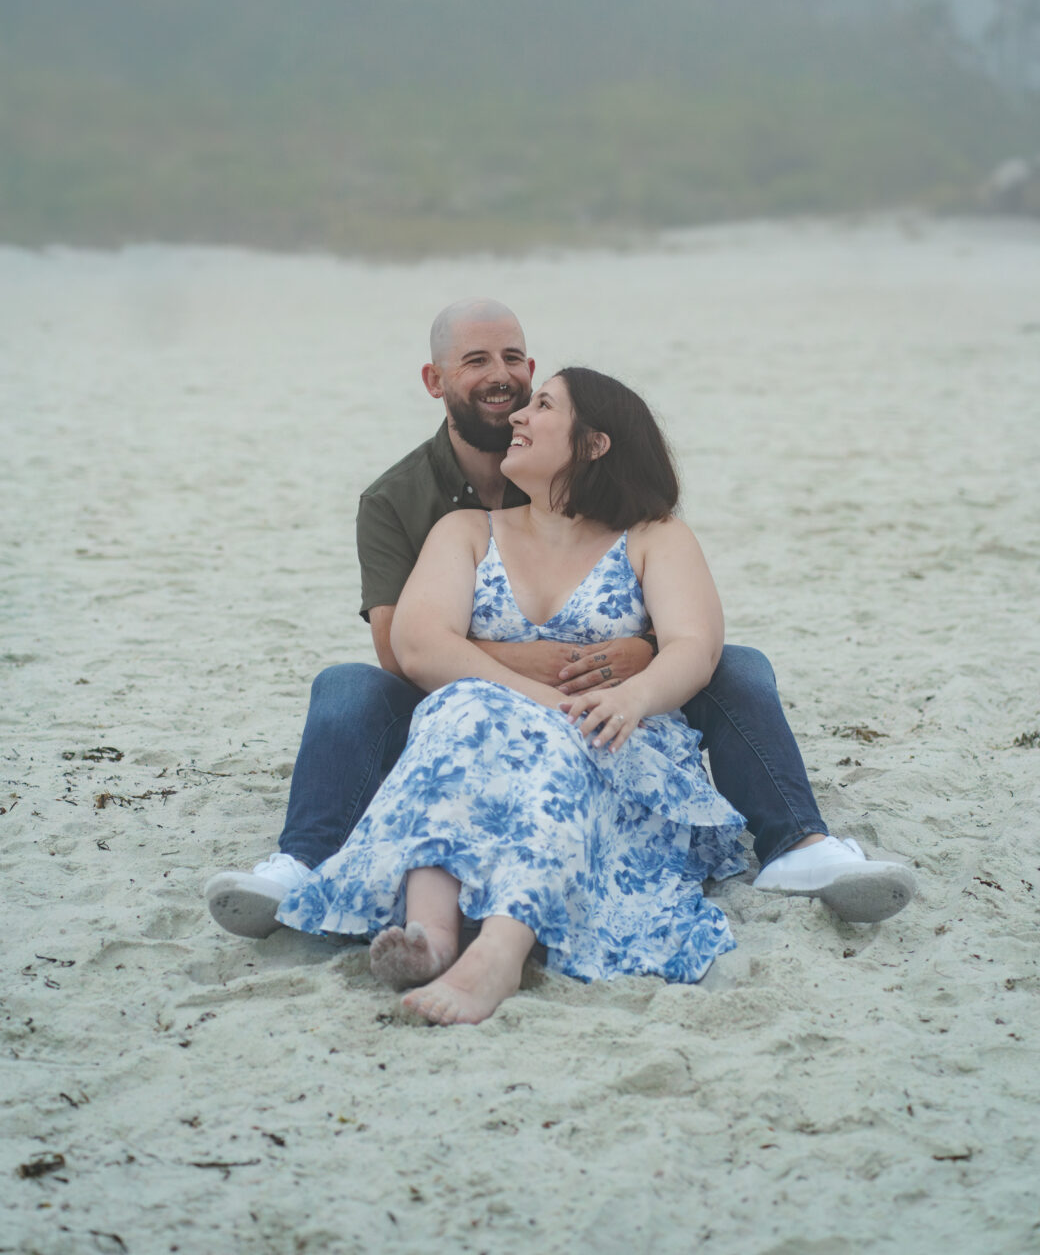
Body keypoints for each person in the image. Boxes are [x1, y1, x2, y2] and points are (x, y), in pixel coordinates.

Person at [205, 299, 916, 940]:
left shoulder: (648, 531)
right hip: (457, 719)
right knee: (347, 685)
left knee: (736, 665)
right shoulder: (414, 506)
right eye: (477, 360)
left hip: (611, 723)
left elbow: (690, 640)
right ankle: (300, 862)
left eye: (516, 365)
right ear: (435, 381)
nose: (506, 387)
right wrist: (540, 676)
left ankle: (798, 843)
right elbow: (407, 648)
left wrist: (639, 665)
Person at [278, 366, 749, 1023]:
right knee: (458, 706)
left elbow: (693, 645)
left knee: (555, 735)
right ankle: (429, 934)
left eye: (543, 405)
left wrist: (634, 698)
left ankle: (499, 951)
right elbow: (420, 646)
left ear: (594, 443)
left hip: (610, 739)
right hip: (489, 740)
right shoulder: (467, 531)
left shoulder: (653, 536)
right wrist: (536, 699)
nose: (518, 418)